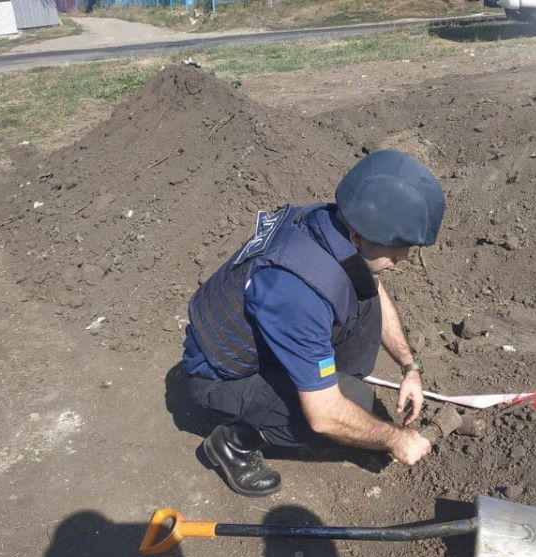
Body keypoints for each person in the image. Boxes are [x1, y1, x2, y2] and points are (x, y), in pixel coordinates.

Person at [179, 150, 445, 496]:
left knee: (363, 300)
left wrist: (410, 367)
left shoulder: (331, 224)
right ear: (358, 236)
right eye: (397, 247)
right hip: (220, 378)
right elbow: (324, 416)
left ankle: (322, 383)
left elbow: (372, 288)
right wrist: (396, 440)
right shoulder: (296, 293)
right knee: (336, 414)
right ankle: (234, 442)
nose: (404, 258)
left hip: (274, 332)